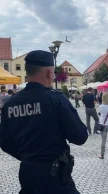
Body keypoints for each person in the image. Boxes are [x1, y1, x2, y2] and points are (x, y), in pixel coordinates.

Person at [0, 50, 88, 194]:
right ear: (48, 73)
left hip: (28, 173)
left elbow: (4, 142)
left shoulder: (11, 104)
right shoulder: (55, 99)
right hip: (55, 175)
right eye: (53, 73)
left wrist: (27, 156)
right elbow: (80, 136)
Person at [98, 93, 108, 159]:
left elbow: (100, 114)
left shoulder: (101, 106)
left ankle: (102, 154)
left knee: (103, 141)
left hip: (103, 125)